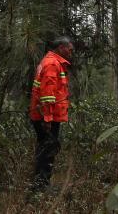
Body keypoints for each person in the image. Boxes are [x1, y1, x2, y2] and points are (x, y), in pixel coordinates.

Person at [28, 35, 74, 192]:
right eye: (69, 49)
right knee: (47, 150)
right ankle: (41, 186)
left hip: (45, 115)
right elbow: (47, 94)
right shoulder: (52, 64)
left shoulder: (51, 62)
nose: (71, 52)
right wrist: (47, 118)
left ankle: (40, 184)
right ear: (61, 48)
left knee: (45, 148)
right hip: (46, 116)